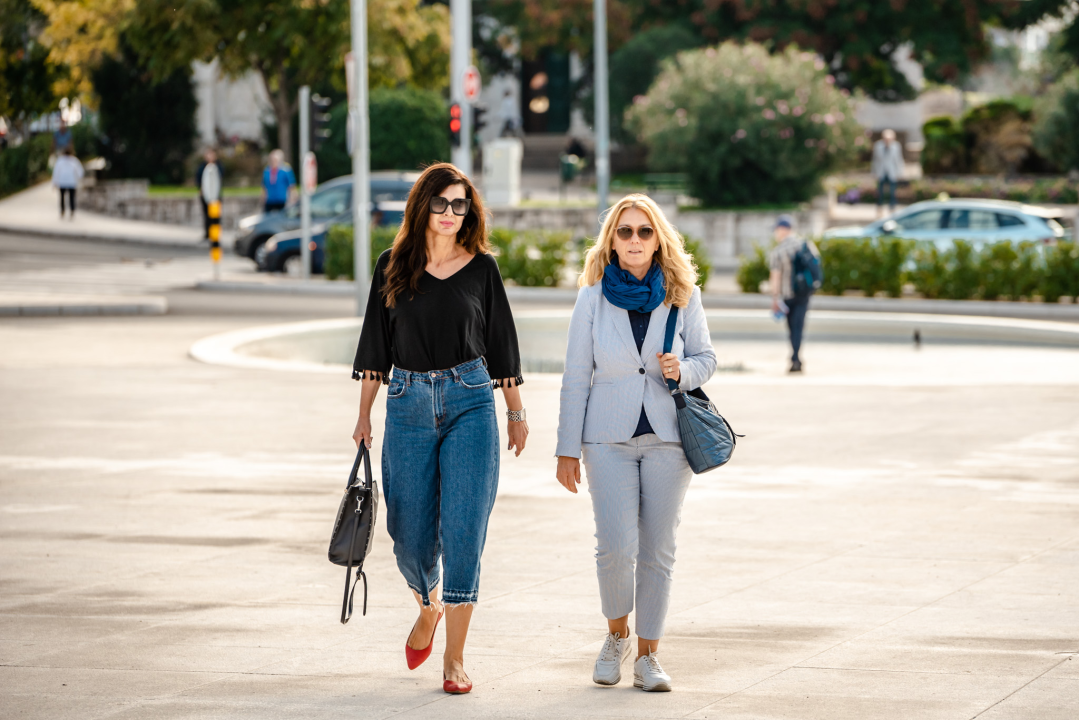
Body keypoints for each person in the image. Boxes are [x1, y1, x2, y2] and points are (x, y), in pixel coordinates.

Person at [351, 162, 528, 695]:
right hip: (405, 403)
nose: (451, 214)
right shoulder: (393, 265)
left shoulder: (482, 270)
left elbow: (501, 344)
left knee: (465, 531)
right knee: (407, 533)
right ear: (422, 206)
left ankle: (454, 660)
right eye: (441, 203)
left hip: (471, 400)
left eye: (460, 205)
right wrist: (363, 415)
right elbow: (375, 348)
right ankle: (427, 605)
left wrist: (516, 412)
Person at [555, 194, 717, 692]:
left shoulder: (682, 294)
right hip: (606, 438)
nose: (634, 240)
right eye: (625, 232)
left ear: (658, 238)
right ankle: (615, 636)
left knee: (658, 549)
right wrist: (566, 447)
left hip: (669, 438)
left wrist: (682, 370)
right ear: (612, 240)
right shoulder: (591, 298)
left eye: (644, 232)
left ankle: (649, 656)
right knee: (615, 547)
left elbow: (707, 358)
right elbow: (576, 375)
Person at [769, 215, 819, 373]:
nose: (776, 234)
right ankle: (796, 357)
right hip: (804, 292)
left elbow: (775, 277)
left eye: (776, 230)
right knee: (800, 326)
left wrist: (775, 298)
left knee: (792, 327)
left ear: (783, 230)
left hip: (788, 295)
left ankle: (795, 358)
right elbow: (816, 264)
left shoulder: (778, 251)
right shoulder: (806, 244)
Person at [871, 129, 904, 217]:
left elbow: (898, 160)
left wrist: (900, 172)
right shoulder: (878, 145)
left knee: (892, 192)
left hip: (891, 172)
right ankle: (879, 208)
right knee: (880, 192)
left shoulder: (896, 146)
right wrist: (873, 172)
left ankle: (892, 208)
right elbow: (875, 160)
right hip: (881, 172)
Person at [195, 148, 224, 241]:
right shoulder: (202, 166)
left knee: (216, 216)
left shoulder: (218, 166)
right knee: (206, 215)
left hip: (216, 195)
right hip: (205, 195)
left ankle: (215, 234)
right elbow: (198, 178)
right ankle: (207, 233)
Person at [51, 148, 84, 220]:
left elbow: (56, 172)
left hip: (62, 182)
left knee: (62, 197)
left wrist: (54, 183)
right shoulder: (74, 160)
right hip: (72, 182)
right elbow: (80, 171)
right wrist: (79, 179)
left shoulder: (60, 161)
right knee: (72, 197)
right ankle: (72, 210)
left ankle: (62, 211)